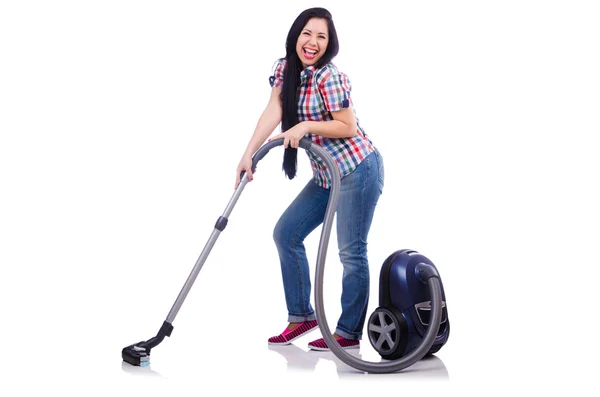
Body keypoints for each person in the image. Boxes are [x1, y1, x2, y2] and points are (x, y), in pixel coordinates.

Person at [234, 7, 384, 351]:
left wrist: (305, 126)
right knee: (286, 233)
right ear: (296, 35)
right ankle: (302, 316)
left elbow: (346, 126)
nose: (312, 42)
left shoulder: (330, 77)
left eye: (322, 36)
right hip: (325, 175)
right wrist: (248, 153)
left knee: (350, 252)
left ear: (329, 44)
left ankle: (347, 332)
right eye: (307, 33)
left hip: (358, 170)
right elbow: (273, 110)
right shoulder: (285, 69)